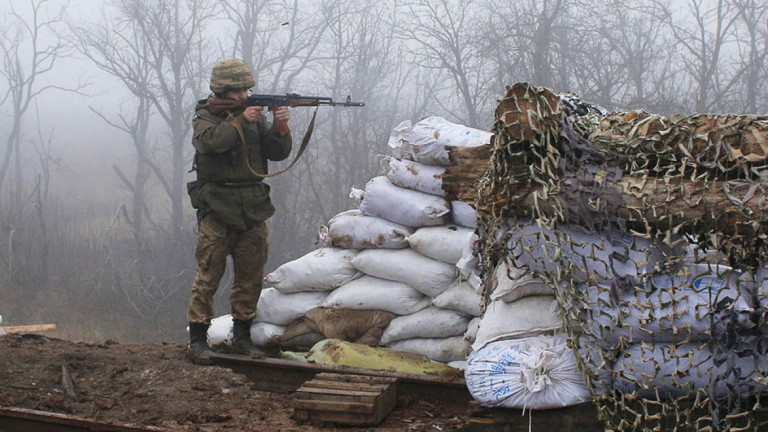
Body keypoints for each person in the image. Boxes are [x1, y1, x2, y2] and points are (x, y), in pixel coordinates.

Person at [186, 59, 292, 364]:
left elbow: (276, 153)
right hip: (218, 207)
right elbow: (210, 143)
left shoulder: (253, 117)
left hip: (252, 207)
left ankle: (242, 336)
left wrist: (281, 127)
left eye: (247, 89)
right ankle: (197, 339)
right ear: (223, 90)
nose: (245, 94)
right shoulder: (206, 115)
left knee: (251, 276)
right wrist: (241, 121)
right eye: (238, 90)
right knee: (208, 275)